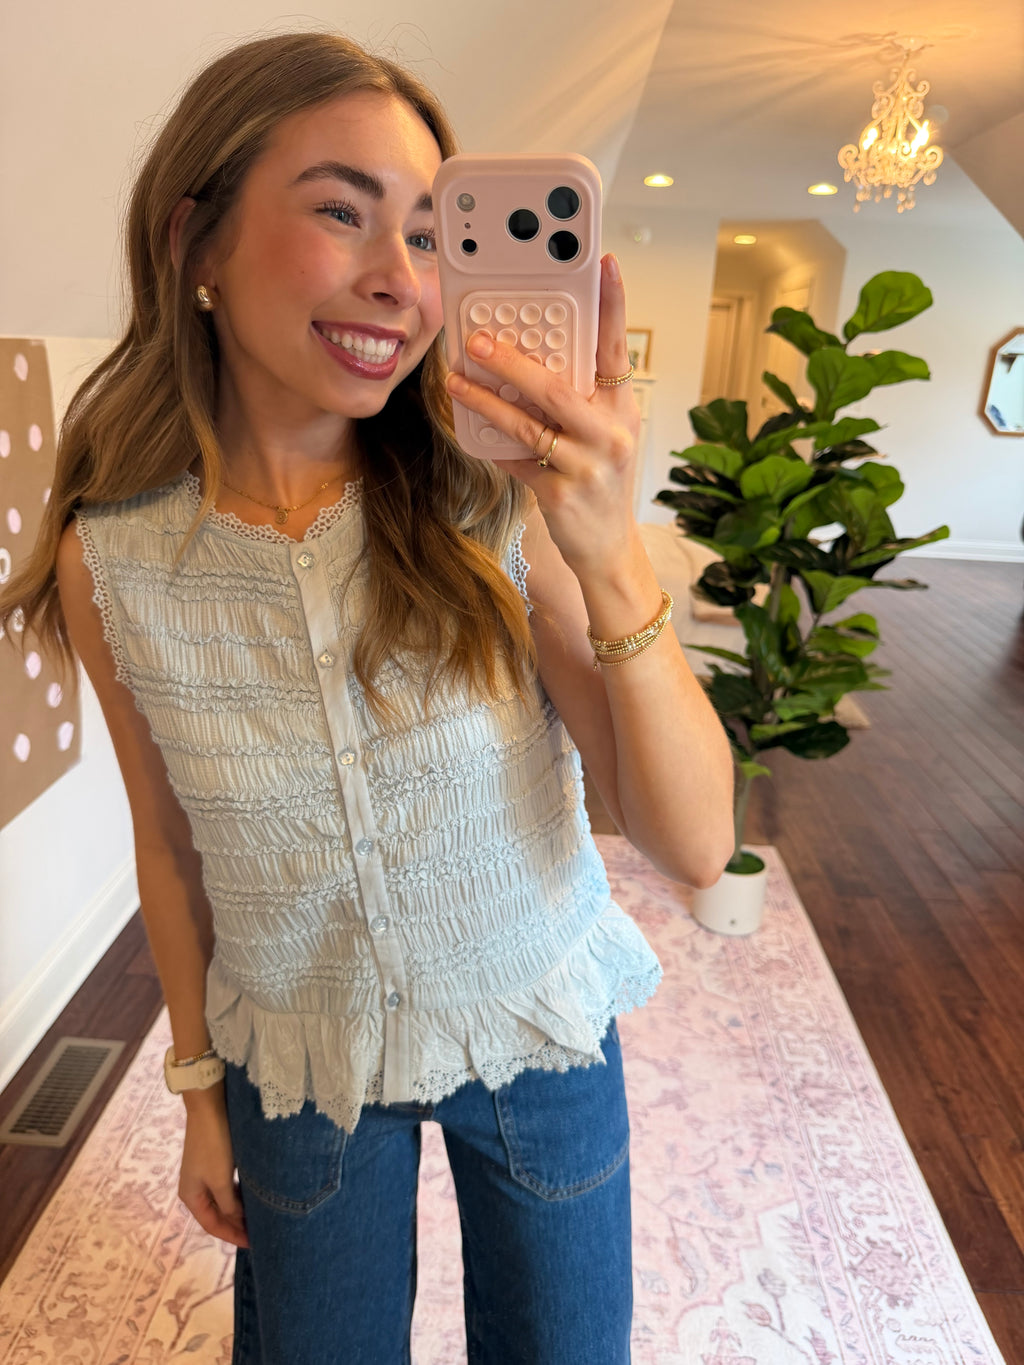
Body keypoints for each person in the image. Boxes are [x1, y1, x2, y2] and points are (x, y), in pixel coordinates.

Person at [2, 31, 733, 1365]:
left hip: (535, 1021)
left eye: (430, 234)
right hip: (302, 1054)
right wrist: (196, 1095)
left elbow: (688, 842)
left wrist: (610, 550)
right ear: (196, 244)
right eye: (343, 212)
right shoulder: (113, 562)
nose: (403, 281)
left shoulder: (484, 501)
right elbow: (168, 853)